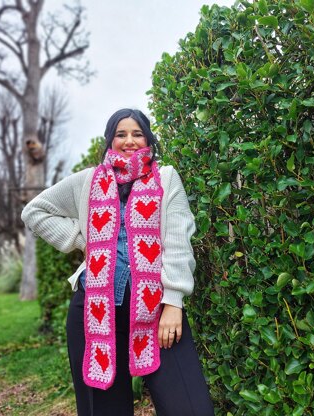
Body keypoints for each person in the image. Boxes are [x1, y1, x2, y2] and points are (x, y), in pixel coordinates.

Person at [21, 108, 214, 416]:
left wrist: (174, 302)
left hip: (158, 312)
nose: (129, 141)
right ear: (110, 140)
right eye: (120, 134)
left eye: (137, 133)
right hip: (93, 313)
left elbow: (178, 241)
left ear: (148, 139)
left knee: (191, 408)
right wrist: (88, 242)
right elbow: (35, 211)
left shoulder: (166, 178)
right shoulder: (88, 181)